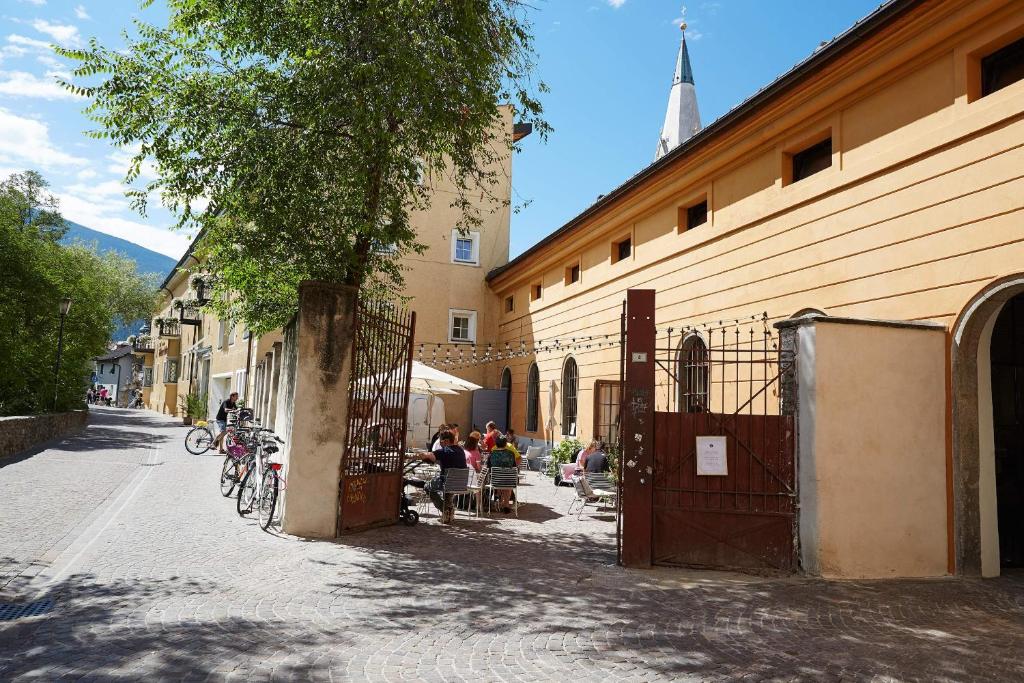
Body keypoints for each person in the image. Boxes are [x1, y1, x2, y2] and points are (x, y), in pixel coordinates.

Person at [415, 430, 467, 523]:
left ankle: (445, 509)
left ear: (446, 441)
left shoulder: (445, 451)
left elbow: (431, 455)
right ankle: (448, 513)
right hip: (460, 483)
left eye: (441, 442)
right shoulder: (460, 450)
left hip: (447, 482)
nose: (440, 444)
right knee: (448, 486)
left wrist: (423, 454)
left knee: (427, 487)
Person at [487, 436, 517, 512]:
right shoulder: (511, 454)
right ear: (505, 444)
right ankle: (506, 505)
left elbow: (488, 468)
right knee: (507, 481)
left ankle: (499, 502)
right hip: (509, 481)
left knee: (497, 478)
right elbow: (514, 467)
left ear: (496, 444)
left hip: (496, 481)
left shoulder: (492, 454)